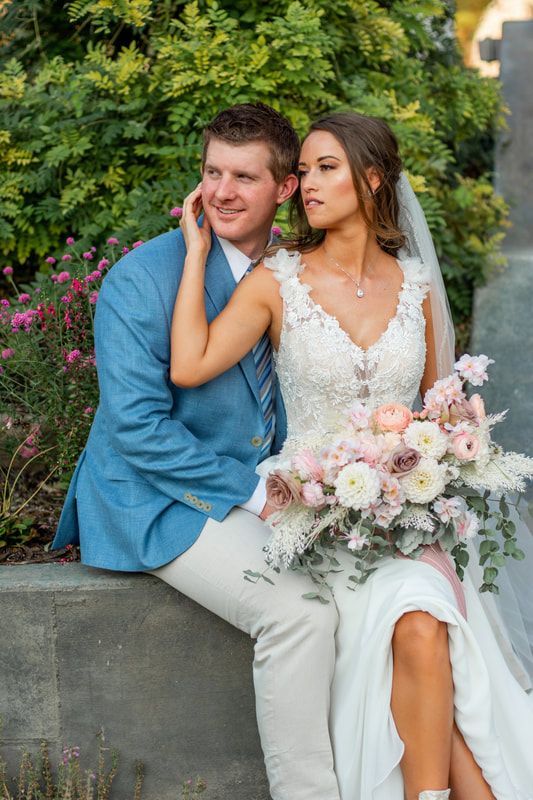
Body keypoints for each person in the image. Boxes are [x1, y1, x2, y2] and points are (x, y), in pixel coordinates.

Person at [170, 111, 533, 800]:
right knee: (418, 635)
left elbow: (439, 410)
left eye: (324, 167)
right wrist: (194, 254)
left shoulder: (416, 287)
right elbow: (189, 365)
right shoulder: (276, 281)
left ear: (371, 177)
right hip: (312, 518)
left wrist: (446, 455)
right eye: (302, 170)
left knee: (425, 625)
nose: (305, 183)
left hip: (406, 516)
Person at [51, 103, 344, 800]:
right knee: (299, 614)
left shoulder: (294, 271)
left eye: (244, 176)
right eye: (212, 171)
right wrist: (253, 497)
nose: (221, 192)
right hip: (154, 498)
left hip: (265, 485)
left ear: (283, 189)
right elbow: (136, 429)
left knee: (377, 593)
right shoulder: (142, 277)